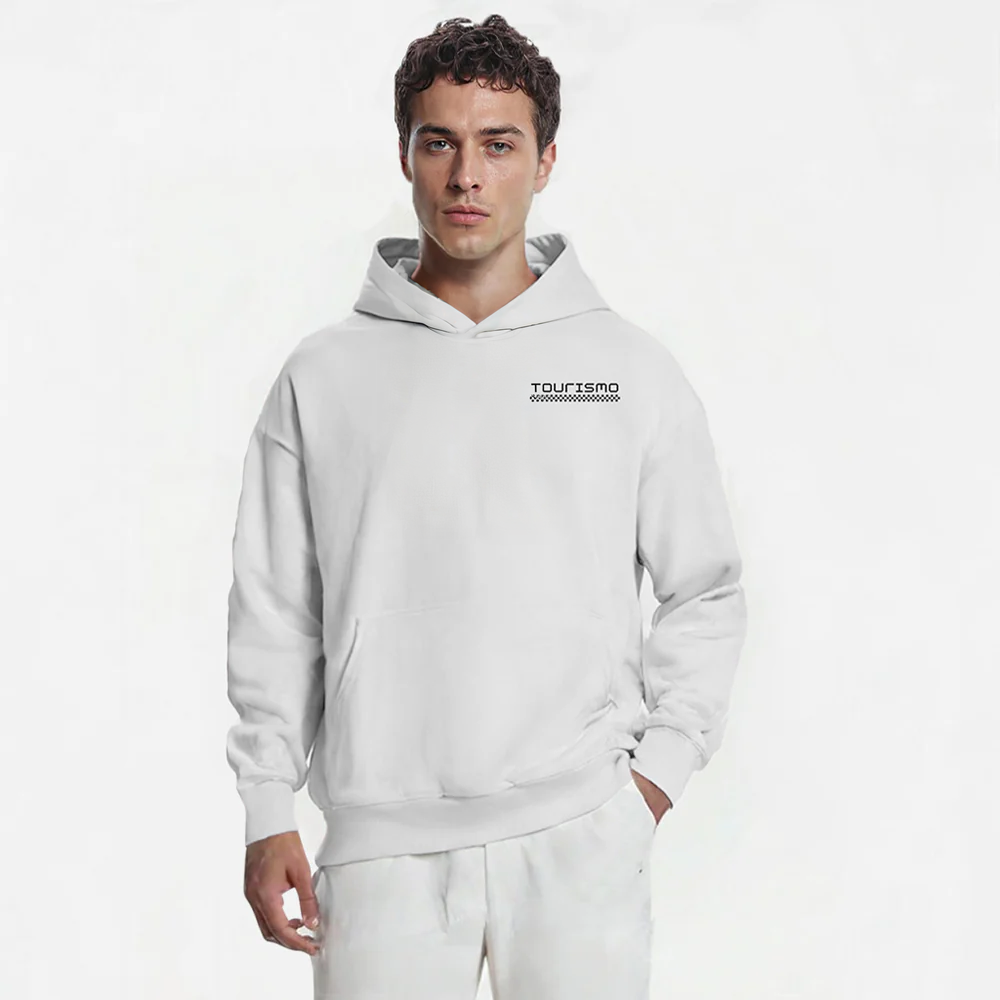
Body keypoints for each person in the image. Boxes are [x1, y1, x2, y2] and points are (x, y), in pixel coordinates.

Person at [225, 14, 747, 999]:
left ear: (545, 161)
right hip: (380, 845)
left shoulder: (623, 368)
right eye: (441, 142)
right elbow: (276, 608)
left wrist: (652, 782)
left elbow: (705, 589)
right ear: (405, 156)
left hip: (577, 832)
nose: (467, 175)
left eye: (498, 144)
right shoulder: (324, 376)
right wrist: (266, 804)